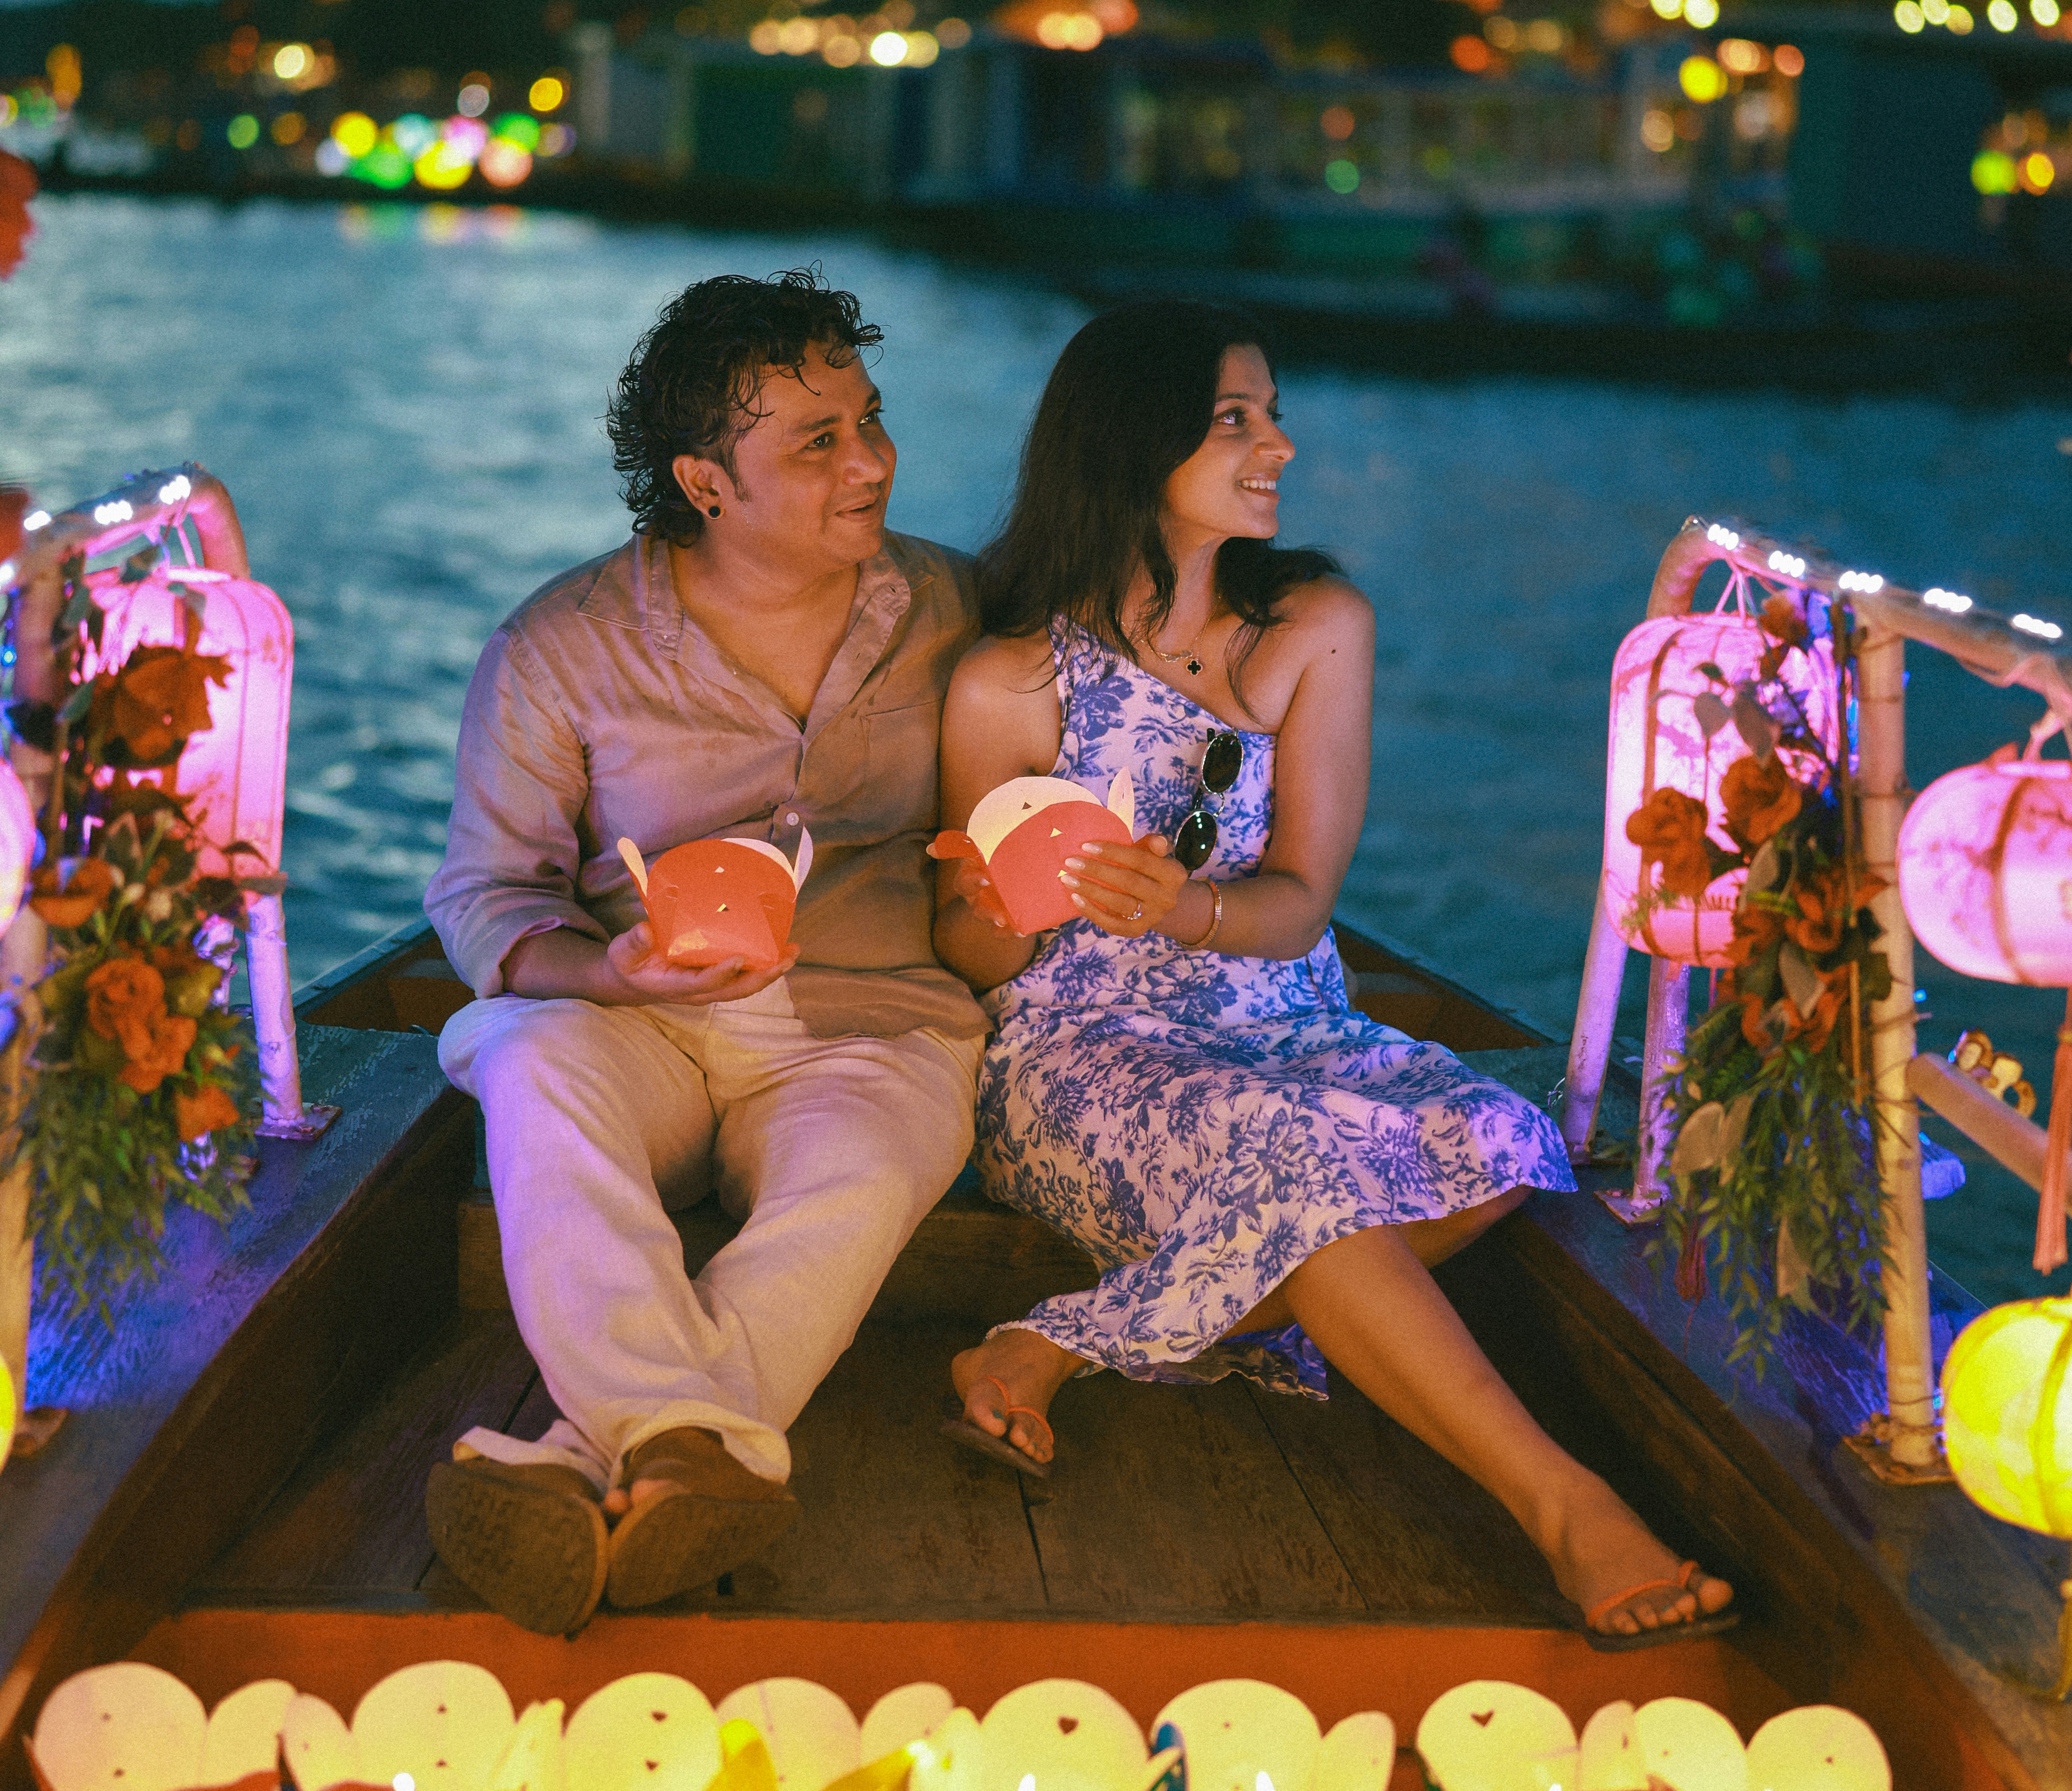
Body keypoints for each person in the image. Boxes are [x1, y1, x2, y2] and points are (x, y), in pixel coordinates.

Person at [931, 302, 1735, 1649]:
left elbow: (1303, 900)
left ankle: (1053, 1342)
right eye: (1237, 419)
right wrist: (989, 907)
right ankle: (1563, 1506)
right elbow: (973, 957)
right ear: (1136, 442)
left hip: (1282, 1011)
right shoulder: (1009, 683)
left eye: (1270, 412)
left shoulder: (1312, 624)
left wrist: (1185, 907)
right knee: (1304, 1177)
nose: (1280, 447)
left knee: (1502, 1129)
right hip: (1079, 1050)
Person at [423, 270, 985, 1634]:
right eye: (817, 441)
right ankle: (693, 1446)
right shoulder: (562, 647)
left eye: (869, 421)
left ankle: (591, 1458)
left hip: (872, 1023)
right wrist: (609, 975)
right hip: (641, 1027)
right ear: (703, 480)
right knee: (532, 1068)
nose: (870, 463)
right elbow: (486, 893)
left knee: (855, 1179)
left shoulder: (964, 612)